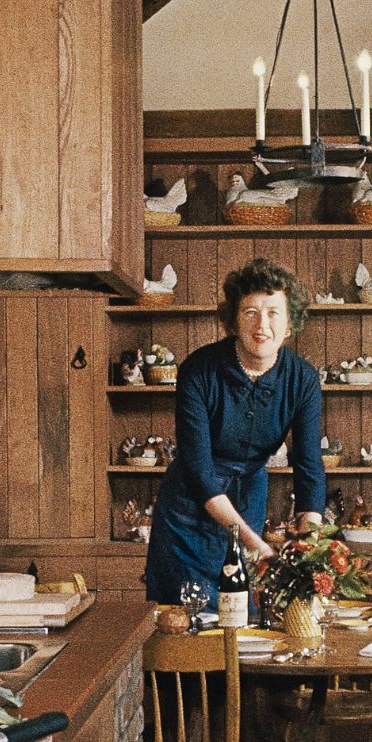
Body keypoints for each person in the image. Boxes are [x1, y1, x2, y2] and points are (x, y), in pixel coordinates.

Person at [144, 257, 327, 606]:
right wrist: (255, 543)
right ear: (233, 320)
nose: (262, 325)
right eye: (250, 312)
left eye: (274, 313)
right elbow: (199, 471)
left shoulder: (302, 378)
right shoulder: (199, 370)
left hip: (248, 499)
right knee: (189, 616)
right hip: (188, 506)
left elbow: (310, 467)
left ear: (290, 324)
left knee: (241, 611)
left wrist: (308, 544)